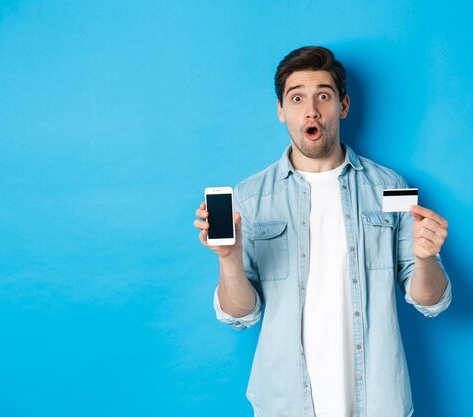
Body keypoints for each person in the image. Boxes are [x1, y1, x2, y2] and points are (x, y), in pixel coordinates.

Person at [193, 46, 452, 417]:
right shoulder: (250, 198)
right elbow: (240, 316)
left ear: (343, 106)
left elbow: (431, 301)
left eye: (323, 96)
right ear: (281, 111)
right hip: (285, 403)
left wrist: (426, 260)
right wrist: (229, 260)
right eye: (296, 98)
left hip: (378, 401)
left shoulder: (389, 187)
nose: (311, 110)